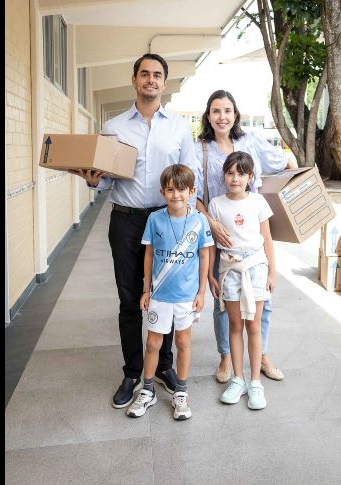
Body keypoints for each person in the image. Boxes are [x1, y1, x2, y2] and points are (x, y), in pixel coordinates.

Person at [69, 54, 201, 409]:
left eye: (157, 74)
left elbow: (191, 175)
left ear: (164, 83)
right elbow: (105, 178)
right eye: (145, 73)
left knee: (167, 297)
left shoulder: (178, 127)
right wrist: (93, 180)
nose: (150, 79)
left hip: (167, 222)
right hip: (126, 221)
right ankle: (132, 372)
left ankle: (165, 367)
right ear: (134, 79)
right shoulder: (114, 127)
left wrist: (191, 218)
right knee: (129, 299)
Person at [194, 89, 296, 384]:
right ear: (208, 116)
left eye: (227, 110)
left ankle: (261, 354)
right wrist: (211, 223)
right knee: (223, 301)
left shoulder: (251, 141)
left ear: (235, 114)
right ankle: (226, 356)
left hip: (252, 236)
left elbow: (284, 163)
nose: (222, 116)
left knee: (263, 299)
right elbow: (194, 194)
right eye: (216, 111)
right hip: (220, 235)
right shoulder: (200, 149)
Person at [126, 165, 212, 420]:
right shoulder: (155, 219)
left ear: (192, 192)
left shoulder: (199, 220)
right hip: (159, 295)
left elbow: (204, 256)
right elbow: (149, 254)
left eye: (182, 190)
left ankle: (181, 393)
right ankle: (147, 390)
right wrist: (146, 290)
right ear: (162, 192)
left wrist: (202, 292)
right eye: (171, 190)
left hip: (186, 296)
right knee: (153, 343)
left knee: (183, 342)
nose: (176, 195)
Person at [207, 151, 276, 410]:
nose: (235, 179)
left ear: (250, 177)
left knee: (254, 325)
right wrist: (212, 275)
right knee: (235, 325)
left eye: (241, 174)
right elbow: (211, 244)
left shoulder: (258, 201)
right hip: (229, 268)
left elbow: (267, 238)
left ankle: (255, 382)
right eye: (230, 173)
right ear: (224, 175)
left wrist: (272, 272)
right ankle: (238, 379)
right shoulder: (216, 204)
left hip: (256, 267)